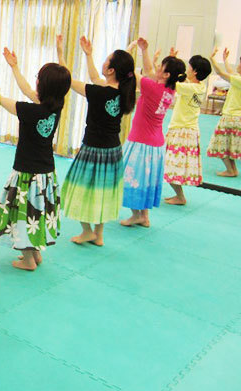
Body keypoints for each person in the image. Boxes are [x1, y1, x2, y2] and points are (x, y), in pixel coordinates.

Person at [0, 47, 71, 270]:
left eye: (38, 78)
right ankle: (35, 254)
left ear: (43, 86)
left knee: (24, 214)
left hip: (27, 173)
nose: (34, 81)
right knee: (36, 212)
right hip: (46, 173)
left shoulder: (31, 111)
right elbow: (26, 89)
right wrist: (14, 66)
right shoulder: (55, 107)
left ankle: (28, 260)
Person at [57, 35, 137, 246]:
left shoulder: (98, 92)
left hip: (93, 149)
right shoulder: (123, 92)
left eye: (106, 60)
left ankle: (87, 231)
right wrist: (88, 55)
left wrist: (60, 54)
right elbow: (95, 78)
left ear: (111, 70)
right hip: (112, 151)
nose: (103, 62)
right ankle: (98, 235)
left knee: (82, 190)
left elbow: (68, 79)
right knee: (102, 192)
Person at [120, 38, 185, 227]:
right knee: (144, 180)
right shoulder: (169, 90)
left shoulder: (153, 88)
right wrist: (145, 51)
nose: (156, 69)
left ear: (166, 74)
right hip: (155, 144)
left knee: (131, 179)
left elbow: (135, 72)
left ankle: (136, 215)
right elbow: (149, 71)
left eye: (161, 68)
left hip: (140, 142)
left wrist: (133, 50)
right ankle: (144, 216)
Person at [164, 55, 212, 204]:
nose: (187, 68)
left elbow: (171, 84)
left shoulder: (190, 88)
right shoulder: (199, 87)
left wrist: (169, 67)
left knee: (171, 166)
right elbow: (183, 81)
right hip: (187, 130)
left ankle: (180, 196)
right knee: (172, 165)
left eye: (190, 66)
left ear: (195, 71)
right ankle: (179, 195)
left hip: (182, 131)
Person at [206, 47, 241, 175]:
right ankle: (233, 170)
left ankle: (230, 170)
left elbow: (221, 73)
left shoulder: (240, 80)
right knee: (228, 145)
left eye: (240, 63)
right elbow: (230, 73)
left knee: (220, 144)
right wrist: (225, 60)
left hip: (231, 116)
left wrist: (212, 59)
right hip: (240, 117)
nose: (238, 65)